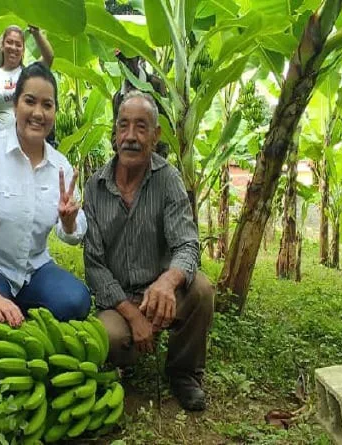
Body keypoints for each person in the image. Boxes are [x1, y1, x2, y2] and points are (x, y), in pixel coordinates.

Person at [83, 91, 215, 411]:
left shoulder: (167, 179)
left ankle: (183, 374)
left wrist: (168, 281)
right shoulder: (95, 187)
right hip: (119, 301)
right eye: (124, 126)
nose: (131, 136)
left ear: (155, 136)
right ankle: (127, 358)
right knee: (109, 337)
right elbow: (95, 266)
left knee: (202, 289)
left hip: (160, 298)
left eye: (141, 127)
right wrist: (132, 316)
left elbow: (187, 242)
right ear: (115, 134)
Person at [0, 62, 90, 326]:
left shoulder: (60, 167)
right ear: (16, 104)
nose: (38, 113)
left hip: (34, 270)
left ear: (54, 112)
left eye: (47, 105)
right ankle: (5, 305)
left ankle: (18, 309)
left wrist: (69, 221)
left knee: (76, 302)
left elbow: (73, 233)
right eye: (30, 101)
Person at [0, 25, 54, 140]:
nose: (13, 47)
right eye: (9, 42)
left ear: (23, 50)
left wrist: (36, 33)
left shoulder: (29, 75)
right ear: (2, 46)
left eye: (18, 45)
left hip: (26, 145)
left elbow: (49, 57)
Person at [111, 50, 170, 157]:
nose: (127, 65)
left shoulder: (155, 86)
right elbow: (114, 135)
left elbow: (166, 128)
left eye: (130, 60)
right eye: (123, 62)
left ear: (138, 59)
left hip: (155, 159)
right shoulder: (118, 97)